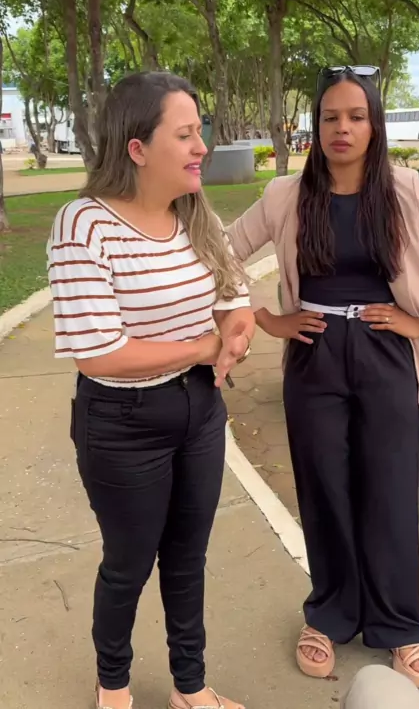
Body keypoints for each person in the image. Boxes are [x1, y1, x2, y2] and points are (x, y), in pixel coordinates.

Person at [226, 66, 419, 689]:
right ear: (316, 126)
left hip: (385, 353)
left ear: (375, 126)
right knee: (324, 488)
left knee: (389, 490)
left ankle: (399, 625)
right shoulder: (285, 195)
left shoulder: (404, 190)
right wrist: (266, 319)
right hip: (312, 355)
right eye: (330, 117)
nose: (342, 128)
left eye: (356, 116)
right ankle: (329, 615)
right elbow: (220, 254)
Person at [46, 71, 255, 709]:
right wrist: (203, 347)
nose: (202, 147)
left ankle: (190, 686)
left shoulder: (195, 212)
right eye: (185, 135)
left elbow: (234, 296)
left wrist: (235, 331)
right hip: (123, 422)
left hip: (200, 410)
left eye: (201, 132)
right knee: (129, 563)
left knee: (188, 558)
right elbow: (100, 353)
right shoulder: (83, 225)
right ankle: (113, 685)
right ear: (137, 148)